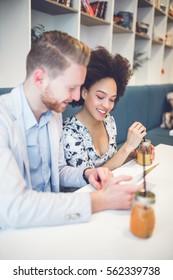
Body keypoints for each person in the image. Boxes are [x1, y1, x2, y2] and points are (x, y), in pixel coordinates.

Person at [0, 31, 142, 229]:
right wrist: (101, 200)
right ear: (40, 78)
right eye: (71, 88)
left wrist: (87, 173)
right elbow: (13, 208)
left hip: (55, 218)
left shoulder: (54, 114)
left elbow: (58, 171)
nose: (77, 97)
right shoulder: (3, 120)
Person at [63, 46, 150, 170]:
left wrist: (133, 154)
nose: (107, 105)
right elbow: (90, 179)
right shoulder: (70, 132)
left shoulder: (108, 121)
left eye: (112, 99)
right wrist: (127, 147)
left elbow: (111, 163)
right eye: (100, 96)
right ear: (84, 93)